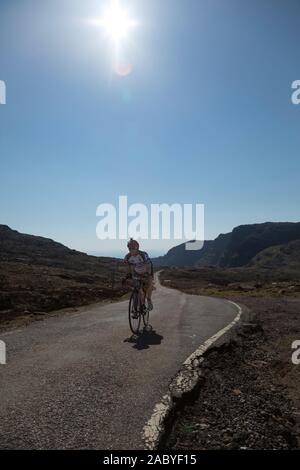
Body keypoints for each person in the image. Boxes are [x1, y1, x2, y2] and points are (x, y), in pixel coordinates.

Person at [123, 238, 154, 313]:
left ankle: (149, 299)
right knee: (139, 289)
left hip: (146, 271)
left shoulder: (143, 255)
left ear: (137, 248)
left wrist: (149, 275)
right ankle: (142, 305)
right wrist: (127, 275)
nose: (131, 250)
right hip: (136, 273)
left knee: (149, 285)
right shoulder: (127, 257)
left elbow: (148, 265)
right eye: (130, 249)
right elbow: (127, 267)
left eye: (133, 248)